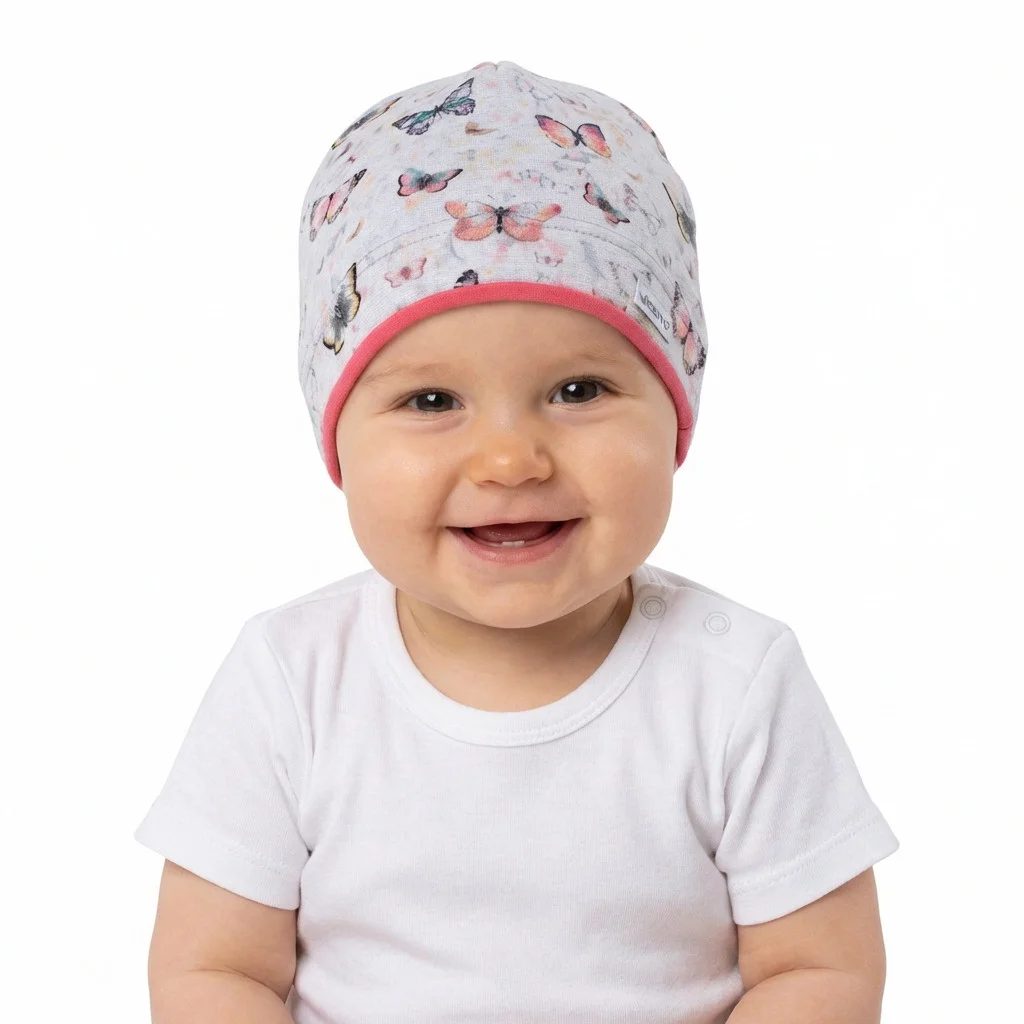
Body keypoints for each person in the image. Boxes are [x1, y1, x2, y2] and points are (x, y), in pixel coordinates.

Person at [134, 59, 899, 1024]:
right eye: (431, 400)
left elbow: (818, 971)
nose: (508, 460)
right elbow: (214, 972)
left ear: (675, 411)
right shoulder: (291, 679)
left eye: (578, 390)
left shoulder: (736, 684)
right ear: (336, 434)